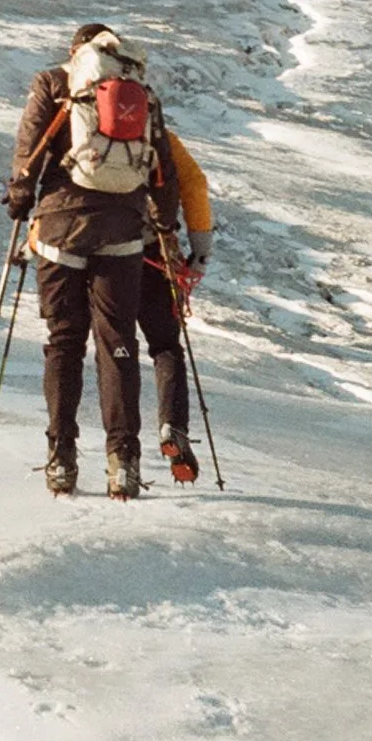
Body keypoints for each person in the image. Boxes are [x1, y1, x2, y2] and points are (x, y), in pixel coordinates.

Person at [5, 23, 182, 500]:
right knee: (117, 344)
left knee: (64, 341)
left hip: (61, 229)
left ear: (74, 51)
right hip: (122, 234)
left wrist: (20, 197)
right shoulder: (142, 95)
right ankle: (123, 461)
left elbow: (29, 147)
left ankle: (61, 456)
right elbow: (162, 168)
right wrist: (165, 225)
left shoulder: (54, 82)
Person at [139, 133, 216, 482]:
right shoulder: (157, 133)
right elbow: (194, 183)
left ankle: (119, 453)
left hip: (94, 253)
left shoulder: (75, 122)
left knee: (112, 350)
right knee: (165, 346)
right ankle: (172, 426)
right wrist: (200, 249)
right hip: (151, 251)